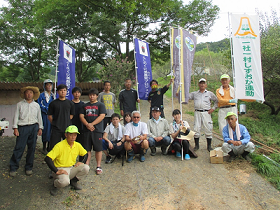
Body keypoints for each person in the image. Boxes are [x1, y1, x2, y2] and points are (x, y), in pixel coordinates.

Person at [44, 125, 90, 196]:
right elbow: (47, 158)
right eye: (71, 134)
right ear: (66, 135)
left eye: (75, 135)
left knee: (86, 167)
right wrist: (56, 171)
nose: (73, 137)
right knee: (64, 182)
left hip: (71, 168)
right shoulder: (59, 145)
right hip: (61, 168)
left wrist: (82, 162)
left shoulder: (77, 145)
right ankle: (55, 184)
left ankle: (73, 181)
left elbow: (85, 154)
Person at [9, 86, 43, 177]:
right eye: (27, 92)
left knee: (31, 148)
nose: (29, 94)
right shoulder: (19, 104)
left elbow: (39, 117)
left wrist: (40, 128)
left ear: (33, 94)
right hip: (22, 127)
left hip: (33, 127)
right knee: (19, 147)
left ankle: (29, 167)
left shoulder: (36, 105)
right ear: (24, 94)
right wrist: (15, 128)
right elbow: (16, 116)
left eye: (30, 93)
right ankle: (13, 167)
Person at [80, 88, 106, 175]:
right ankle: (86, 165)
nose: (92, 96)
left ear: (97, 96)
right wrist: (87, 124)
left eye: (94, 95)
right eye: (90, 95)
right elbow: (81, 116)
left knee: (98, 149)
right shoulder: (84, 105)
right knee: (87, 149)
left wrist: (92, 124)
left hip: (97, 130)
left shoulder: (100, 105)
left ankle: (98, 166)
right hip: (86, 130)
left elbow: (102, 116)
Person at [189, 78, 218, 152]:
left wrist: (213, 109)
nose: (202, 84)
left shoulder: (209, 93)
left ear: (206, 85)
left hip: (206, 113)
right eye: (201, 83)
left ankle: (209, 146)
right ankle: (196, 146)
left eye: (203, 83)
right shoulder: (195, 94)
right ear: (198, 84)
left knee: (208, 128)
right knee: (196, 128)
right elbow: (186, 97)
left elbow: (217, 101)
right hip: (197, 112)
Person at [47, 84, 75, 151]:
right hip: (56, 128)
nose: (63, 92)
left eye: (64, 90)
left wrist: (66, 120)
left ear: (66, 92)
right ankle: (53, 160)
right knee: (54, 146)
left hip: (67, 128)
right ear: (58, 92)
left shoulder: (70, 103)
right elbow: (49, 116)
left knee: (68, 146)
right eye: (61, 90)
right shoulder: (53, 103)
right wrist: (54, 123)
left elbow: (71, 115)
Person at [37, 79, 55, 154]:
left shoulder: (53, 95)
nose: (49, 86)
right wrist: (47, 110)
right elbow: (40, 105)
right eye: (47, 85)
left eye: (50, 85)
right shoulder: (41, 95)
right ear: (44, 86)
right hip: (45, 115)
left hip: (53, 115)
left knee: (52, 130)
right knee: (45, 130)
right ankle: (44, 146)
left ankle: (49, 146)